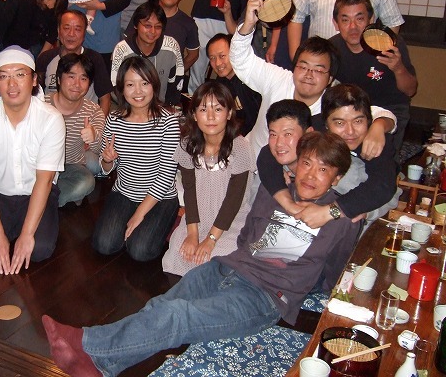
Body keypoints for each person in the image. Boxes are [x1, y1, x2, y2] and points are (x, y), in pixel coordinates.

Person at [42, 131, 360, 377]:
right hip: (227, 268)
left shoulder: (341, 220)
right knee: (161, 305)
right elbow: (249, 232)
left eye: (323, 169)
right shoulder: (274, 191)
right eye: (306, 163)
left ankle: (86, 342)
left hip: (264, 297)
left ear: (337, 178)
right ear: (296, 163)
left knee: (178, 315)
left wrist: (298, 289)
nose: (311, 175)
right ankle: (100, 366)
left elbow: (335, 270)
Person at [231, 0, 395, 163]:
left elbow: (380, 113)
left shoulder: (332, 102)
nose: (308, 75)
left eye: (318, 70)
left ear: (330, 78)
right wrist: (248, 24)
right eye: (303, 67)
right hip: (249, 160)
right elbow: (241, 61)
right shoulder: (278, 79)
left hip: (295, 172)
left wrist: (379, 126)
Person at [0, 47, 65, 273]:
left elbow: (45, 180)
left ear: (34, 79)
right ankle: (7, 231)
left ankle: (27, 226)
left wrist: (27, 235)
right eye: (3, 76)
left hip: (37, 191)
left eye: (20, 74)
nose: (12, 84)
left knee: (39, 249)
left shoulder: (51, 119)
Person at [258, 84, 399, 231]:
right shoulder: (317, 128)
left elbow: (383, 186)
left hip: (356, 198)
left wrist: (330, 212)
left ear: (368, 121)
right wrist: (289, 205)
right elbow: (268, 153)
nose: (350, 131)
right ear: (325, 124)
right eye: (339, 123)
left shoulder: (376, 141)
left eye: (358, 121)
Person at [162, 81, 256, 276]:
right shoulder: (187, 144)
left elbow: (234, 200)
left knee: (214, 261)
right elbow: (189, 190)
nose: (211, 116)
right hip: (197, 216)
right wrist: (193, 234)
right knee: (179, 254)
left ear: (229, 113)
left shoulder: (240, 147)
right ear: (194, 115)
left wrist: (211, 239)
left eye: (218, 109)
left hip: (230, 219)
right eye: (203, 109)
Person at [93, 56, 180, 262]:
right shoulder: (114, 120)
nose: (138, 91)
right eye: (130, 85)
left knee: (140, 251)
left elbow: (166, 175)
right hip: (124, 192)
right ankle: (135, 228)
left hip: (160, 197)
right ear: (122, 89)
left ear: (154, 85)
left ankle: (161, 223)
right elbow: (105, 169)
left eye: (144, 83)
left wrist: (139, 213)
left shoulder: (168, 121)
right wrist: (107, 160)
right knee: (103, 245)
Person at [330, 0, 417, 158]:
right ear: (336, 23)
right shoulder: (333, 47)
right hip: (352, 112)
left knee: (381, 159)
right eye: (345, 20)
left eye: (360, 19)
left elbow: (410, 90)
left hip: (391, 109)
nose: (353, 27)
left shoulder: (389, 43)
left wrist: (398, 68)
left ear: (371, 20)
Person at [44, 54, 105, 207]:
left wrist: (94, 136)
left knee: (86, 182)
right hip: (42, 165)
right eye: (71, 77)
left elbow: (101, 150)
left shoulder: (93, 111)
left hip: (70, 165)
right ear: (59, 79)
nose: (77, 84)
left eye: (83, 79)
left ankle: (43, 202)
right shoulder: (41, 104)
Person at [36, 9, 112, 115]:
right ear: (58, 30)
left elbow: (105, 98)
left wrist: (98, 124)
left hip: (85, 121)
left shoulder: (95, 59)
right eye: (66, 28)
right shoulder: (46, 58)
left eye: (77, 29)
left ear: (84, 33)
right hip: (50, 120)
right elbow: (36, 96)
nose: (71, 34)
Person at [126, 0, 200, 74]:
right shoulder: (142, 14)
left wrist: (176, 73)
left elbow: (193, 54)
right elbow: (127, 44)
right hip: (139, 74)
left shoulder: (188, 24)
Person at [111, 2, 184, 105]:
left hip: (161, 107)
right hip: (130, 107)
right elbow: (115, 86)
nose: (153, 31)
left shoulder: (172, 46)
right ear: (135, 25)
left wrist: (168, 106)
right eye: (147, 26)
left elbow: (176, 82)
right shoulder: (122, 49)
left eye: (158, 27)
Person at [206, 33, 261, 136]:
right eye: (212, 58)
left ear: (234, 53)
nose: (218, 63)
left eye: (222, 56)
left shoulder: (251, 80)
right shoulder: (219, 85)